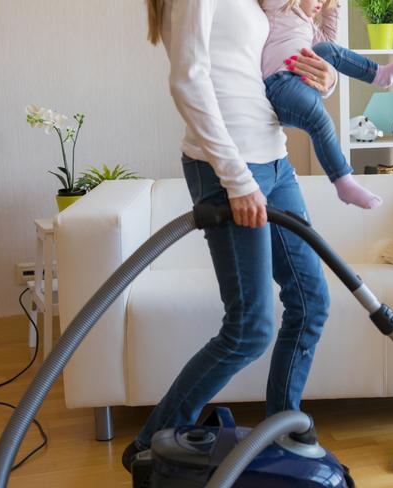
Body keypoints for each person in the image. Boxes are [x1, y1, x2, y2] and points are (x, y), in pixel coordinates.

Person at [122, 0, 338, 471]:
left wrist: (327, 75)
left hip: (275, 159)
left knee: (311, 302)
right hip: (229, 170)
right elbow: (188, 80)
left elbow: (273, 56)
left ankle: (282, 433)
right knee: (250, 328)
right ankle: (147, 445)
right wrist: (236, 179)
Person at [260, 0, 393, 209]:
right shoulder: (280, 7)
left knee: (328, 50)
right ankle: (344, 182)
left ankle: (379, 74)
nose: (322, 3)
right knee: (321, 120)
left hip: (300, 80)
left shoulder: (309, 25)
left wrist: (334, 7)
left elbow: (332, 46)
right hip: (280, 84)